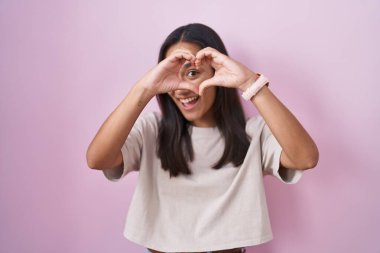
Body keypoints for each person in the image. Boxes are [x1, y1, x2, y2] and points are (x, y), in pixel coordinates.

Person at [86, 23, 319, 253]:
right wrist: (145, 88)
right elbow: (97, 159)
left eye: (192, 73)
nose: (181, 88)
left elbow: (305, 158)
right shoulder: (151, 130)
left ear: (218, 74)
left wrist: (250, 83)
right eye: (170, 76)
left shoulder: (253, 134)